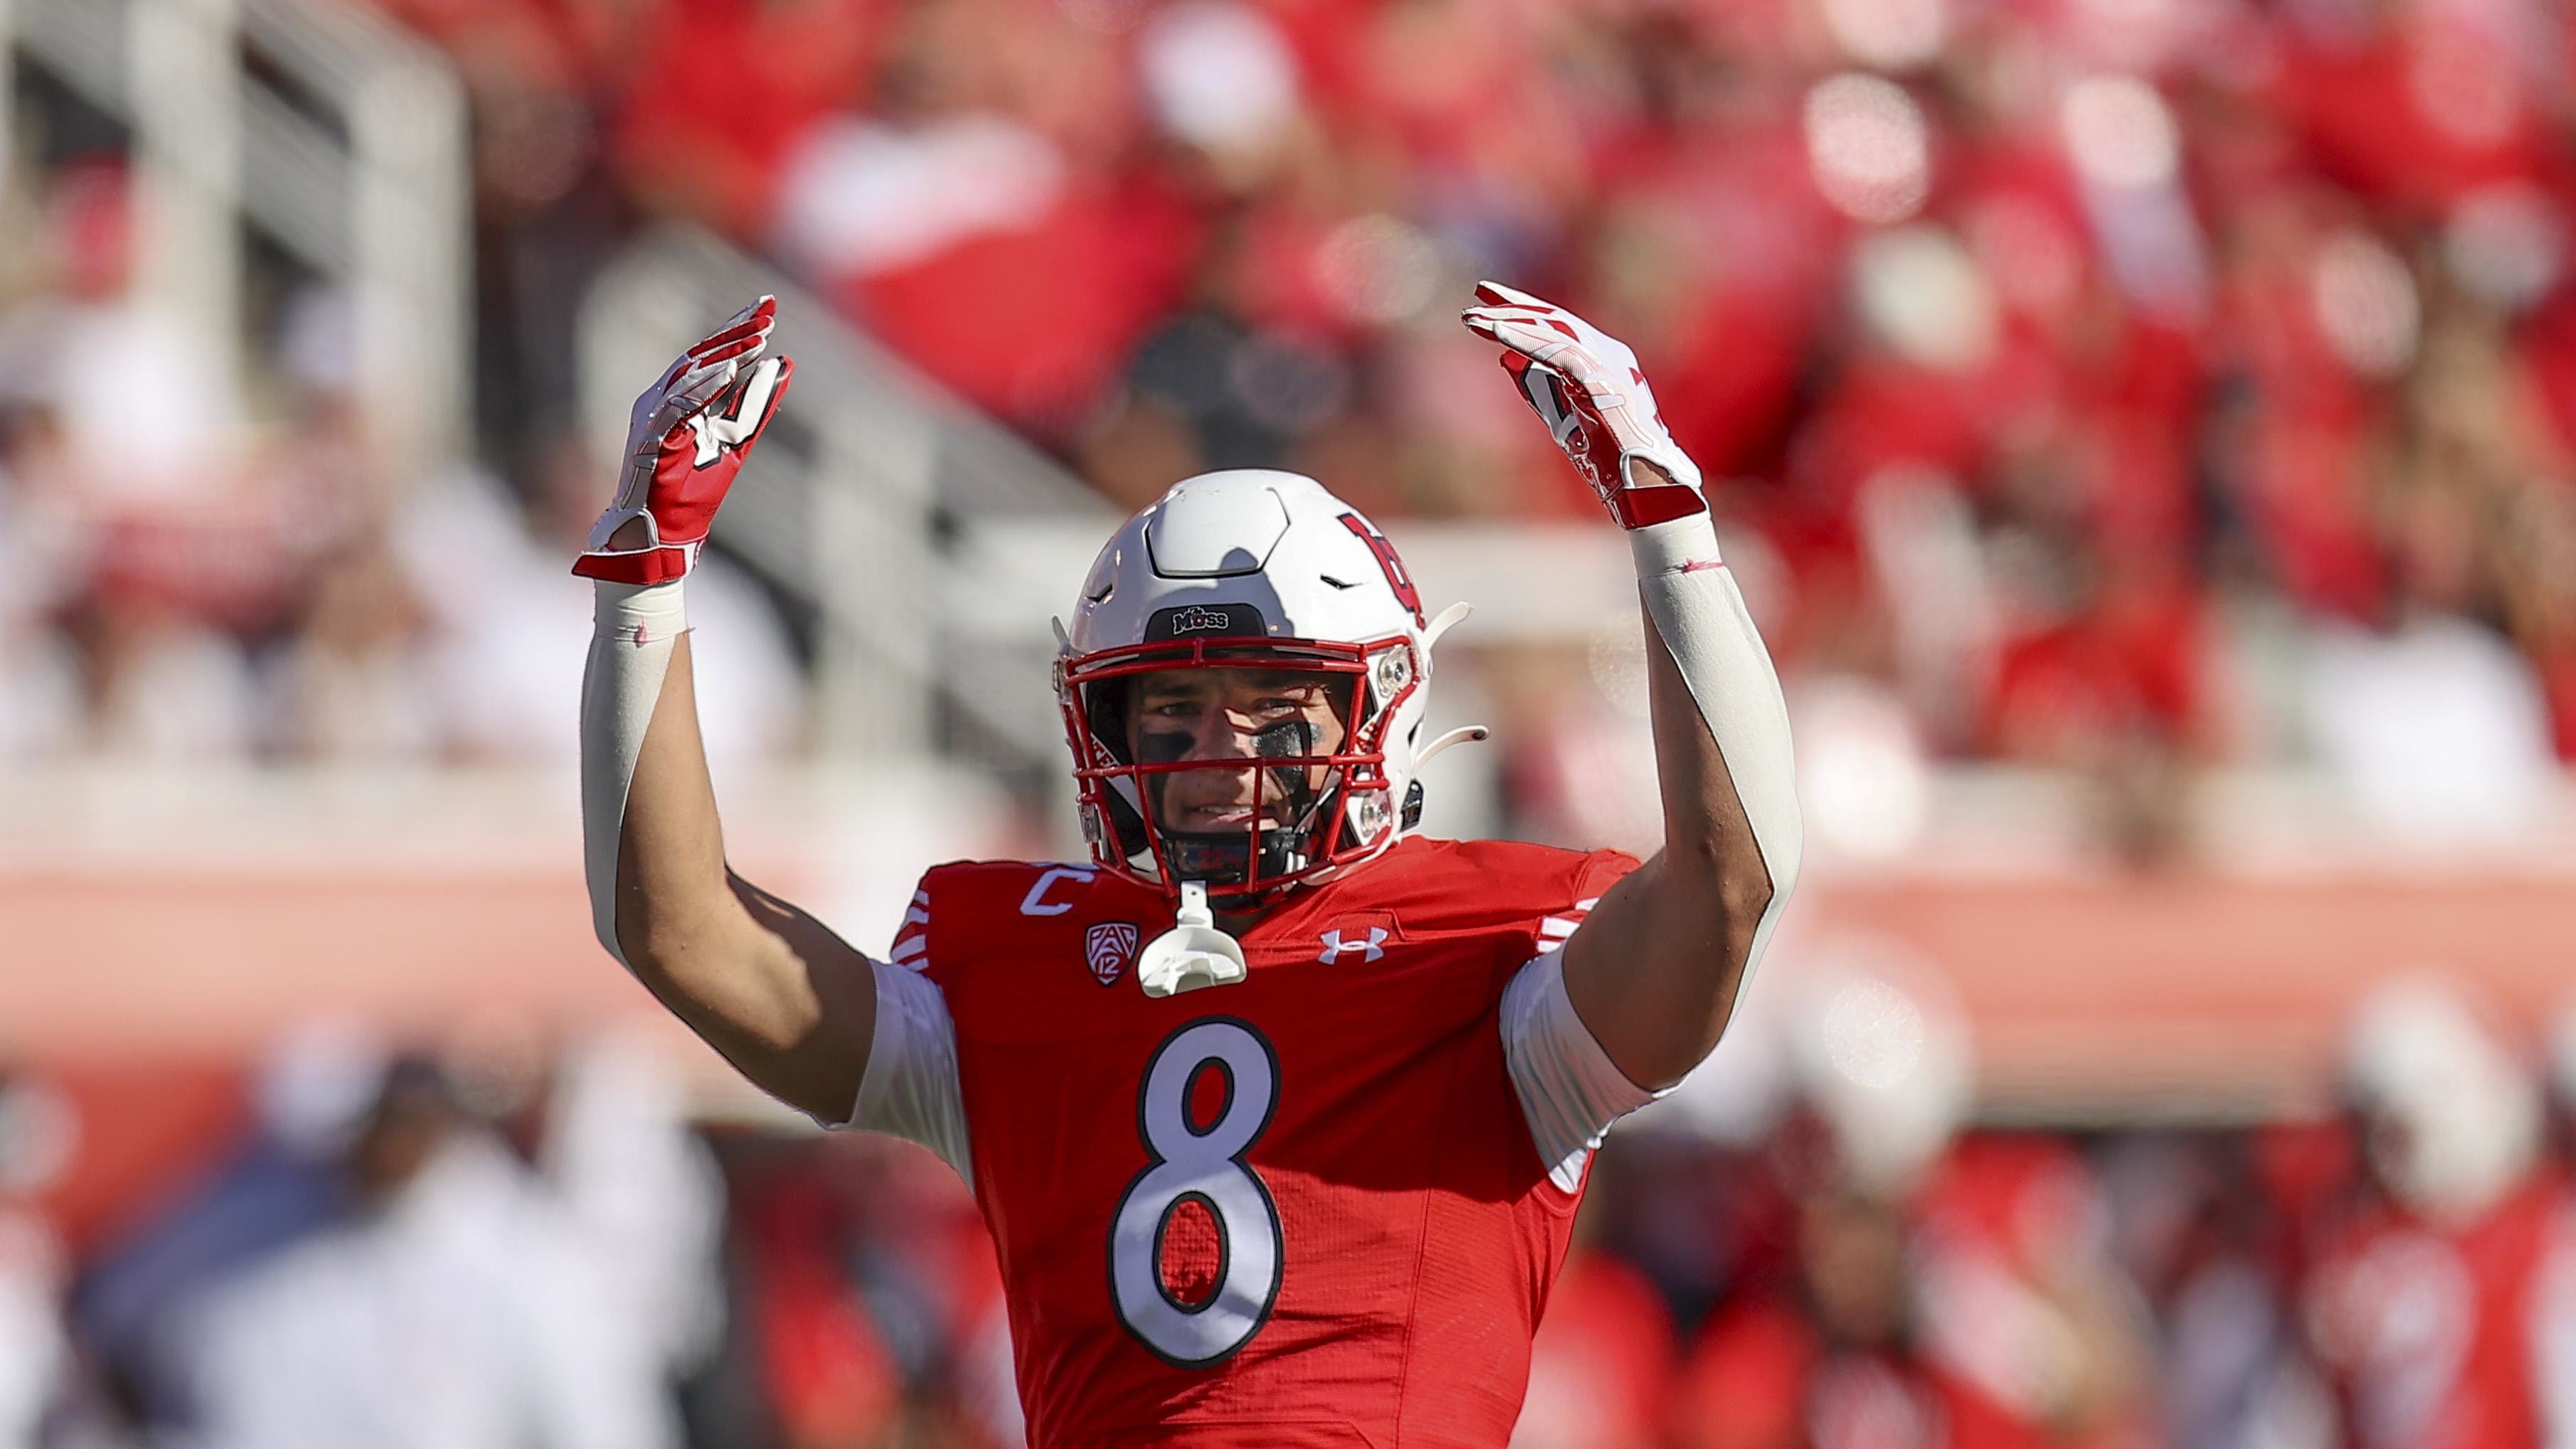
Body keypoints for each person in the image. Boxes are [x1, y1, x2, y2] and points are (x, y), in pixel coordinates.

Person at [572, 286, 1801, 1445]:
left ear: (1380, 710)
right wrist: (645, 583)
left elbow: (1725, 881)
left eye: (1274, 706)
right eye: (1168, 715)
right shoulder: (1010, 967)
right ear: (1097, 729)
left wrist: (1668, 525)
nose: (1218, 754)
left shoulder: (1487, 959)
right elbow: (674, 927)